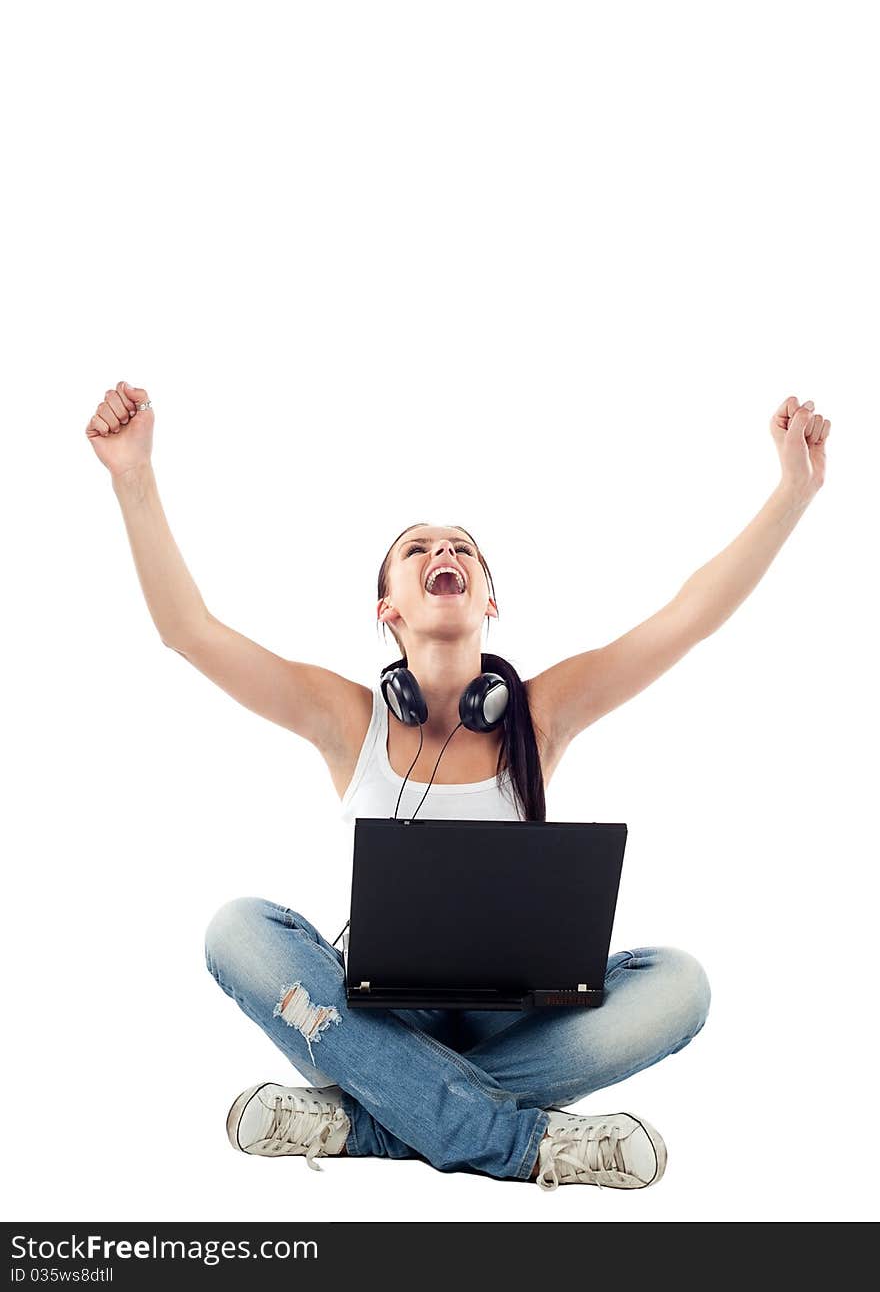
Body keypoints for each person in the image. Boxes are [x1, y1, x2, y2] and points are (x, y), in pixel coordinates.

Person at [86, 381, 829, 1192]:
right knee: (237, 930)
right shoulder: (350, 718)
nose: (445, 553)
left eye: (463, 550)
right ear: (388, 609)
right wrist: (135, 477)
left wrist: (793, 493)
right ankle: (519, 1142)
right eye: (418, 549)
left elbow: (685, 616)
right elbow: (188, 632)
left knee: (680, 987)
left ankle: (371, 1119)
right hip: (379, 1012)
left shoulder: (540, 716)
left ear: (489, 599)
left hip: (513, 1016)